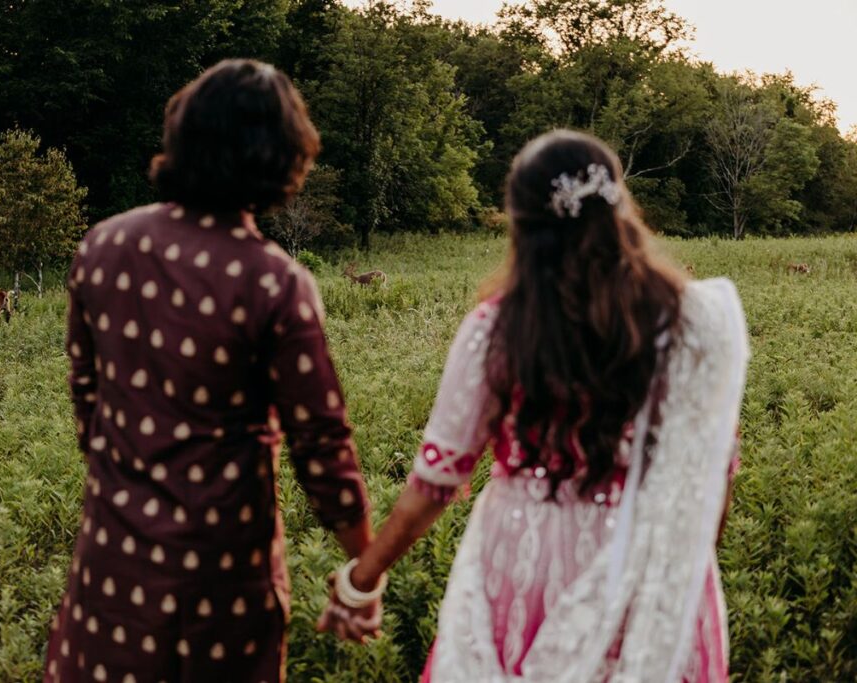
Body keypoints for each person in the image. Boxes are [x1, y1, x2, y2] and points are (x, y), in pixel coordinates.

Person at [319, 129, 749, 682]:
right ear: (621, 210)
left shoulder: (498, 331)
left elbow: (435, 481)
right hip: (647, 570)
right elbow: (715, 473)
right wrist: (672, 569)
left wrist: (362, 580)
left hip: (526, 565)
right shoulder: (692, 325)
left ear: (521, 224)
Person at [44, 59, 375, 683]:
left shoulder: (102, 248)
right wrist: (363, 573)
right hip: (219, 589)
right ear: (281, 157)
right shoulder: (274, 282)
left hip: (111, 567)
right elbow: (323, 452)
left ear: (183, 137)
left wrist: (132, 487)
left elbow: (88, 403)